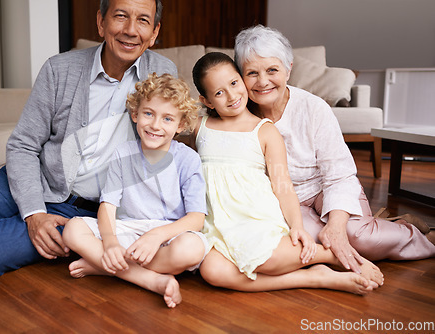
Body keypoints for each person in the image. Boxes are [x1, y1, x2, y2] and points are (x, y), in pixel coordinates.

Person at [0, 0, 178, 281]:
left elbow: (181, 125)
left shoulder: (162, 73)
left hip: (79, 214)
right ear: (101, 22)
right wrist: (34, 212)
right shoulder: (59, 69)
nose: (131, 30)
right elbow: (23, 144)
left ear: (155, 32)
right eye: (120, 16)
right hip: (29, 180)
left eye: (143, 21)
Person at [232, 25, 435, 274]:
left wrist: (337, 225)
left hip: (325, 188)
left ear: (288, 69)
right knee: (307, 242)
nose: (262, 81)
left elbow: (339, 174)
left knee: (356, 236)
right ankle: (385, 224)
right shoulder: (238, 116)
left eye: (272, 70)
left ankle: (417, 235)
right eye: (252, 73)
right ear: (240, 76)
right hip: (286, 203)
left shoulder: (313, 108)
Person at [191, 51, 383, 295]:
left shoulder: (264, 131)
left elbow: (283, 186)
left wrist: (296, 226)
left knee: (264, 260)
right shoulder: (200, 127)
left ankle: (329, 255)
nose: (231, 96)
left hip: (254, 221)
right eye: (219, 93)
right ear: (207, 101)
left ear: (242, 80)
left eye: (234, 83)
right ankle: (314, 277)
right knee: (213, 272)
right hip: (217, 226)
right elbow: (163, 119)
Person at [62, 73, 207, 308]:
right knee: (72, 229)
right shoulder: (123, 153)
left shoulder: (188, 159)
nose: (155, 125)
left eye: (167, 119)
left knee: (191, 249)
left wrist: (156, 235)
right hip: (129, 229)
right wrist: (109, 244)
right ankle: (150, 280)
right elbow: (108, 206)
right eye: (148, 113)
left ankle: (105, 267)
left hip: (168, 235)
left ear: (181, 125)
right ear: (135, 114)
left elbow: (196, 219)